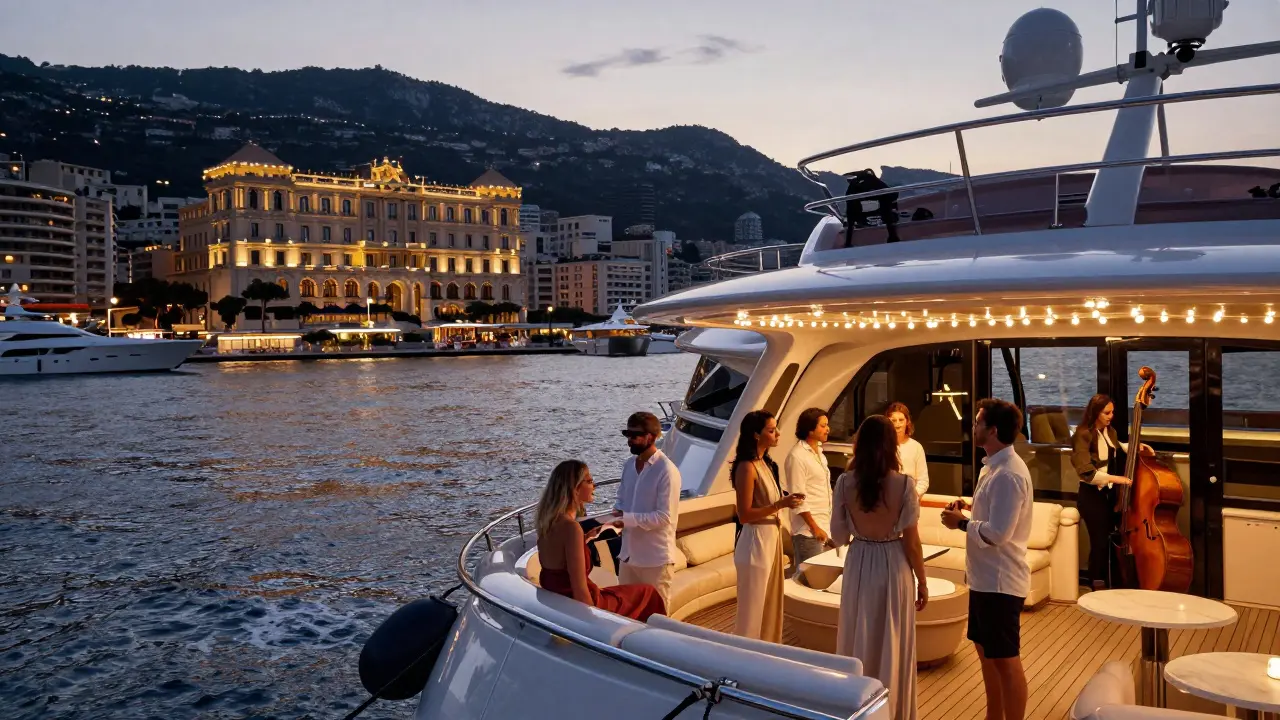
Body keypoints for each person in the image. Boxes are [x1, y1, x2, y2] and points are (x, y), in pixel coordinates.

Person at [831, 415, 928, 720]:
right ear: (891, 445)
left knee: (859, 634)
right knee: (893, 638)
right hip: (893, 562)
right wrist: (922, 581)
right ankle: (893, 710)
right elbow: (912, 542)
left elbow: (838, 536)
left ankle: (856, 707)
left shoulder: (845, 482)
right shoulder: (904, 484)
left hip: (860, 561)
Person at [941, 399, 1033, 720]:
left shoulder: (1008, 474)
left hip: (1000, 583)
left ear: (992, 430)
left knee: (1006, 660)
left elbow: (998, 534)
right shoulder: (992, 466)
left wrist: (961, 523)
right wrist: (969, 508)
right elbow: (993, 517)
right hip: (983, 579)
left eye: (978, 422)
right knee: (986, 655)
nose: (973, 426)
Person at [536, 460, 665, 621]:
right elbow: (580, 590)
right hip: (584, 605)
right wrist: (594, 624)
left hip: (561, 601)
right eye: (589, 481)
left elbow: (558, 566)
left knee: (636, 592)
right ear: (574, 488)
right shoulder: (571, 528)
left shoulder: (548, 523)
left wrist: (584, 539)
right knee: (648, 593)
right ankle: (651, 642)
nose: (594, 486)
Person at [1070, 394, 1154, 591]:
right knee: (1099, 541)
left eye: (1112, 412)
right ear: (1095, 413)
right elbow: (1087, 474)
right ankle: (1096, 583)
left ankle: (1114, 581)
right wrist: (1119, 480)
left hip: (1109, 496)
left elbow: (1115, 448)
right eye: (1106, 413)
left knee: (1112, 540)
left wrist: (1135, 447)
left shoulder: (1110, 431)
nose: (1111, 416)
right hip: (1091, 497)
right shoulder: (1082, 435)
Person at [732, 410, 803, 641]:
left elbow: (771, 503)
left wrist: (786, 501)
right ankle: (744, 657)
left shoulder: (766, 463)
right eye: (771, 430)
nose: (778, 434)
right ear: (755, 435)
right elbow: (744, 515)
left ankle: (767, 650)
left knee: (769, 604)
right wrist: (779, 504)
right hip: (755, 541)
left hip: (770, 540)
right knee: (752, 610)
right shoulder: (746, 467)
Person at [611, 411, 681, 608]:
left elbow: (664, 516)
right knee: (625, 612)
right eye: (627, 435)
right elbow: (622, 502)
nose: (629, 441)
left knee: (656, 616)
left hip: (655, 561)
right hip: (627, 557)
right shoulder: (628, 466)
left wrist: (626, 520)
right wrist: (612, 519)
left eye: (634, 436)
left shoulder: (667, 471)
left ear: (650, 437)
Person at [783, 407, 834, 566]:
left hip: (825, 527)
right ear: (810, 429)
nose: (828, 429)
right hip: (808, 532)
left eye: (827, 425)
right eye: (823, 426)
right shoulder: (797, 456)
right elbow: (798, 498)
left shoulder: (820, 453)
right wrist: (814, 528)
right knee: (808, 583)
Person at [886, 402, 929, 497]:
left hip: (910, 501)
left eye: (901, 420)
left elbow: (923, 481)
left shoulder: (916, 447)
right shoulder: (882, 446)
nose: (897, 425)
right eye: (893, 420)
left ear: (907, 422)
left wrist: (911, 497)